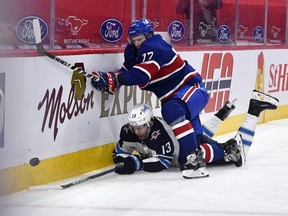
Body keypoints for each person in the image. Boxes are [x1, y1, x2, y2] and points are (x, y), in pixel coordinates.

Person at [91, 18, 211, 179]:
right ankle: (228, 151)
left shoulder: (155, 46)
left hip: (191, 90)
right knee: (195, 145)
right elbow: (125, 74)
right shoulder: (137, 53)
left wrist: (114, 79)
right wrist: (110, 81)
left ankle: (194, 162)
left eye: (139, 39)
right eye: (133, 40)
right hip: (176, 99)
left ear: (149, 35)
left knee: (171, 111)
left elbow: (140, 75)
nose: (137, 43)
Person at [112, 90, 278, 175]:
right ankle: (220, 116)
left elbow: (162, 163)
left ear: (149, 122)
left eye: (141, 127)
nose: (137, 131)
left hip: (189, 148)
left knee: (238, 155)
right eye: (134, 127)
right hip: (190, 137)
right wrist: (126, 159)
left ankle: (254, 111)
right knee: (199, 137)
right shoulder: (129, 132)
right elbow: (117, 153)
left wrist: (136, 163)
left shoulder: (159, 132)